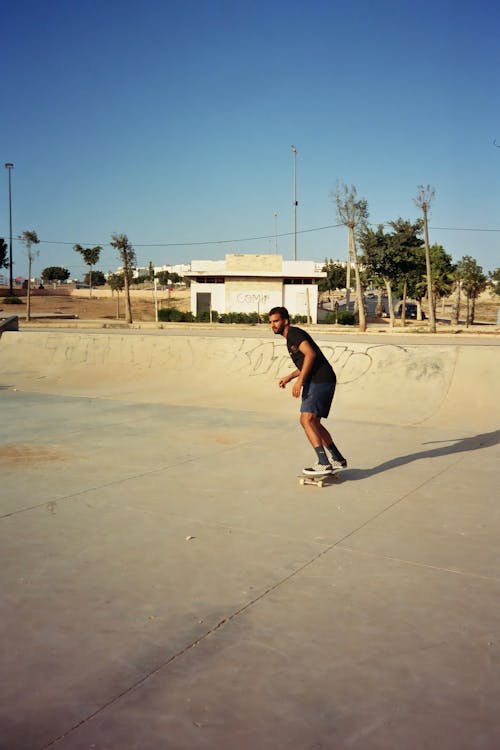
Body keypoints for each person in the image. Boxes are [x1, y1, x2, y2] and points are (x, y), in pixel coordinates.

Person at [269, 306, 347, 476]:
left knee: (306, 420)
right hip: (322, 379)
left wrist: (300, 381)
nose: (273, 325)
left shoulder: (294, 334)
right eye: (271, 322)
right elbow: (306, 361)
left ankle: (323, 462)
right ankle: (337, 459)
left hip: (319, 380)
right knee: (314, 422)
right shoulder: (290, 338)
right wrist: (290, 376)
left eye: (276, 321)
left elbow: (310, 355)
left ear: (285, 321)